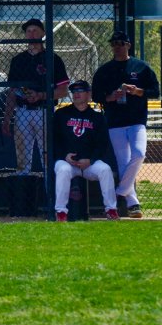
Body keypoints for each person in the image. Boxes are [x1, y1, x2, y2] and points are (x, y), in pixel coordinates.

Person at [92, 30, 159, 219]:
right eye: (114, 44)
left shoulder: (141, 67)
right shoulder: (105, 70)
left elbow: (155, 91)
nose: (117, 47)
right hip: (115, 121)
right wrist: (110, 97)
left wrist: (138, 91)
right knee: (123, 162)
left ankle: (119, 192)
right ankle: (133, 204)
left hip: (137, 119)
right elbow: (96, 95)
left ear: (128, 45)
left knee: (139, 154)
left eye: (121, 43)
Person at [2, 19, 69, 174]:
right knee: (22, 160)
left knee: (48, 157)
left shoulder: (53, 59)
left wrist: (40, 95)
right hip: (22, 111)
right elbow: (12, 91)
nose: (31, 34)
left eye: (35, 31)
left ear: (43, 33)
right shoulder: (18, 60)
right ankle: (24, 188)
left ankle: (49, 188)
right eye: (28, 31)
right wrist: (7, 118)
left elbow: (63, 91)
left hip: (44, 110)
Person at [53, 80, 119, 222]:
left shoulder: (97, 117)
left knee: (105, 170)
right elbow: (54, 140)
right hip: (67, 162)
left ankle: (111, 210)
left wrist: (91, 160)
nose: (76, 94)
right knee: (63, 170)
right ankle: (61, 212)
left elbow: (102, 144)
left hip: (89, 164)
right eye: (74, 91)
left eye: (80, 91)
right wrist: (64, 155)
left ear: (88, 94)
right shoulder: (61, 114)